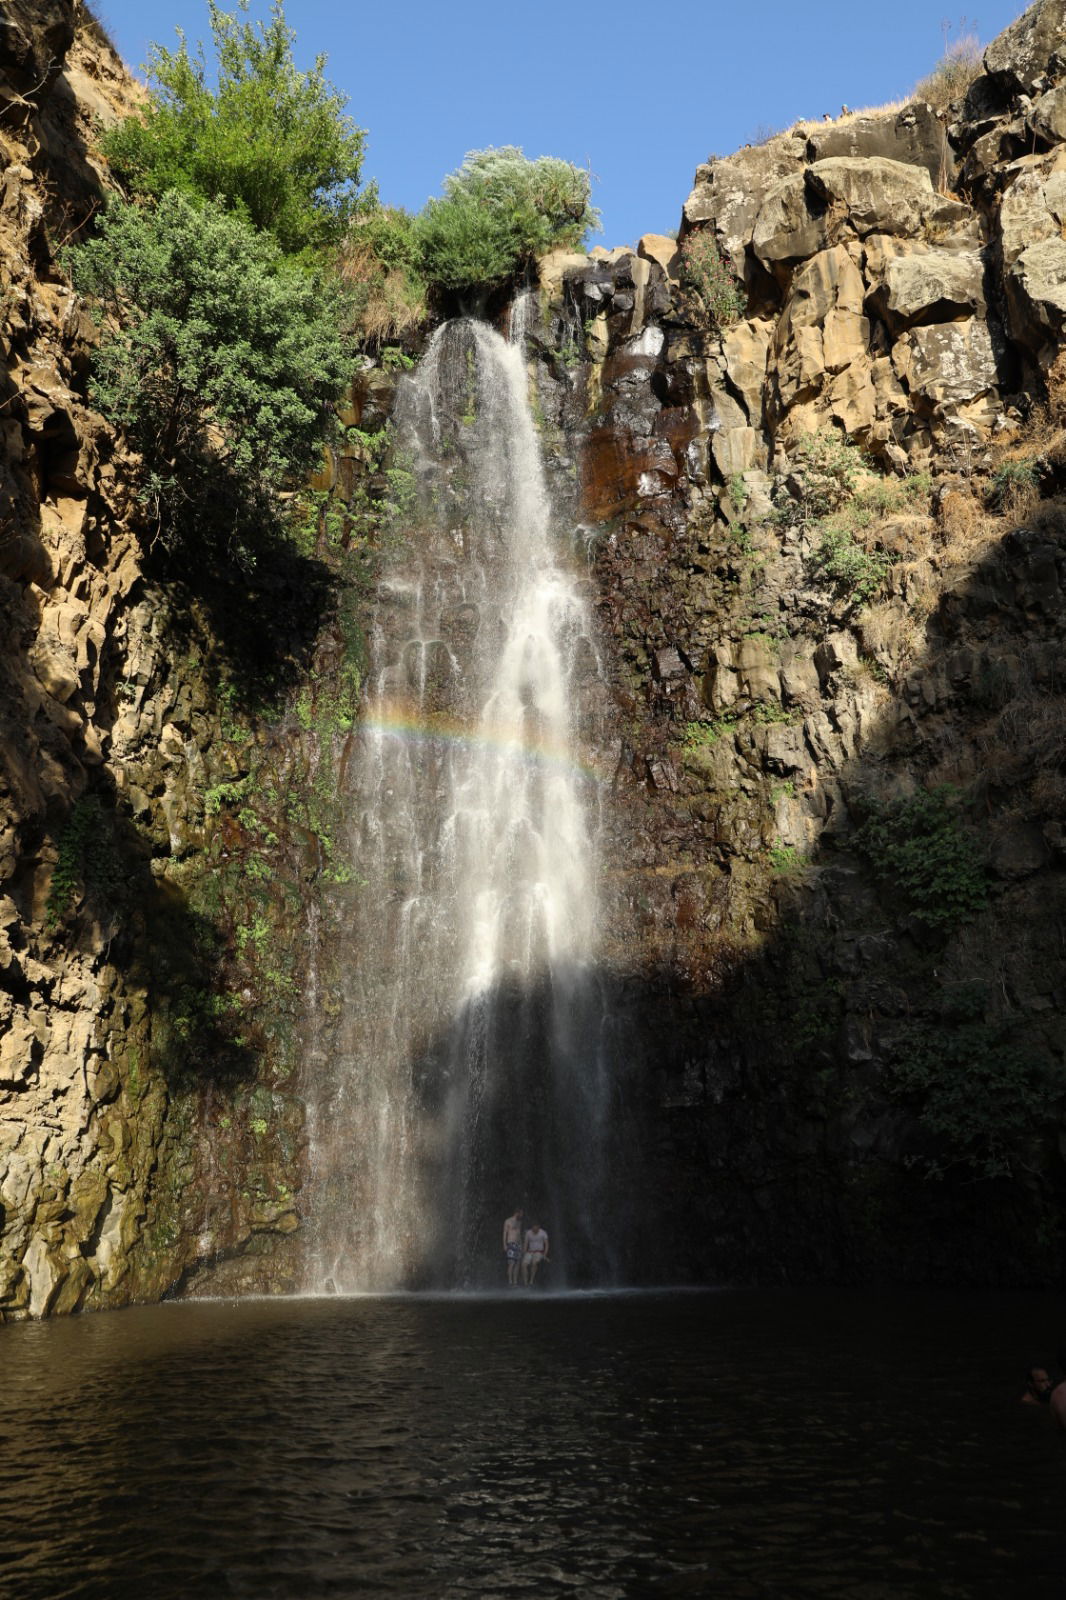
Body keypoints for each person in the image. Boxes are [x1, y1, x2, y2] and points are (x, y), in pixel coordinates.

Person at [522, 1219, 550, 1286]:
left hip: (539, 1252)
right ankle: (525, 1283)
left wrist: (545, 1255)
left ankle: (531, 1281)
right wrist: (524, 1253)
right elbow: (526, 1243)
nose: (534, 1230)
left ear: (538, 1227)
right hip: (530, 1251)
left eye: (535, 1228)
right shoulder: (528, 1233)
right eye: (533, 1228)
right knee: (523, 1265)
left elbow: (547, 1244)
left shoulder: (543, 1233)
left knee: (534, 1263)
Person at [502, 1207, 524, 1287]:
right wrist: (504, 1244)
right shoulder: (508, 1221)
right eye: (521, 1213)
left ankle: (515, 1282)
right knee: (511, 1263)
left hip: (518, 1244)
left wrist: (522, 1245)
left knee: (517, 1263)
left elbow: (519, 1234)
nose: (522, 1215)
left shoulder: (519, 1222)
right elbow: (504, 1233)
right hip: (511, 1243)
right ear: (517, 1213)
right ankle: (510, 1282)